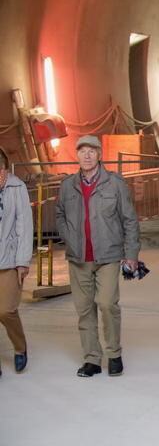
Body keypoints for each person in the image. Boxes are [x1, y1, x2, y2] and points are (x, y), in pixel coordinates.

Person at [56, 135, 140, 378]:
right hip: (78, 257)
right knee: (84, 309)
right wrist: (68, 236)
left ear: (100, 154)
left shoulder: (114, 184)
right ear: (77, 155)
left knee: (106, 304)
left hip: (108, 256)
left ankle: (114, 354)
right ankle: (91, 358)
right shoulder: (68, 185)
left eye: (92, 151)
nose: (87, 155)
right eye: (82, 151)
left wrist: (131, 253)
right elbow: (60, 213)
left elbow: (129, 219)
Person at [0, 148, 33, 376]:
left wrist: (22, 260)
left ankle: (20, 348)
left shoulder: (16, 186)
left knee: (6, 310)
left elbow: (25, 225)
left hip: (9, 259)